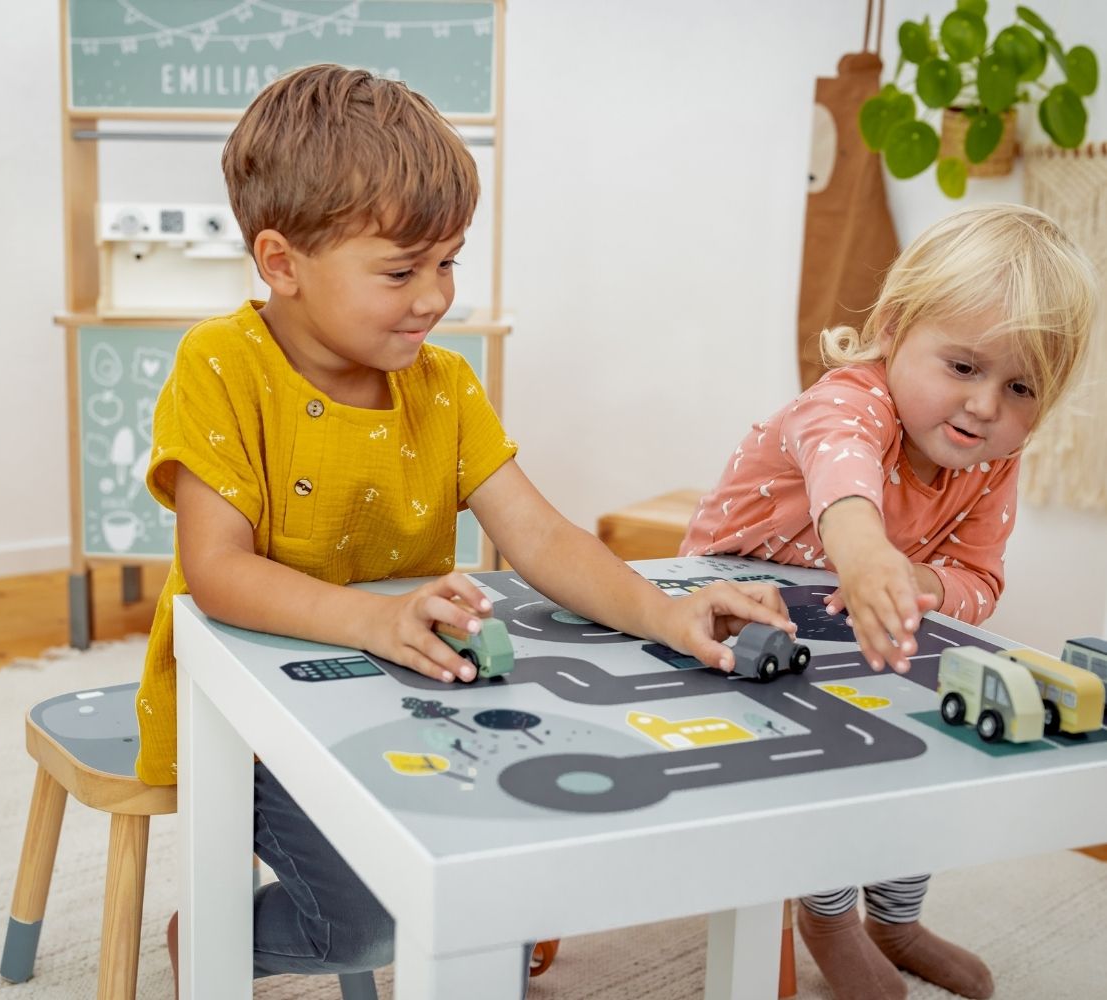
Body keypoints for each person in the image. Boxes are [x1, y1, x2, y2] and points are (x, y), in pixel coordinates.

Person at [134, 63, 795, 992]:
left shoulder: (444, 385)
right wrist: (373, 620)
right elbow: (217, 572)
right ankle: (207, 932)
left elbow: (543, 536)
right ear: (281, 263)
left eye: (447, 262)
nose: (434, 296)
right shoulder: (219, 367)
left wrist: (665, 615)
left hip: (409, 689)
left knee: (522, 853)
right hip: (248, 718)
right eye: (401, 270)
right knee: (363, 928)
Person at [679, 203, 1097, 1000]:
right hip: (731, 609)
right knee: (825, 755)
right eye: (963, 368)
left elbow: (980, 581)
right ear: (897, 328)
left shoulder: (990, 462)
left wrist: (921, 583)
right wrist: (871, 556)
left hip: (855, 616)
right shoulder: (846, 400)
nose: (983, 407)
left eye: (1019, 388)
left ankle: (896, 919)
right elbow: (844, 481)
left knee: (932, 738)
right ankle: (829, 915)